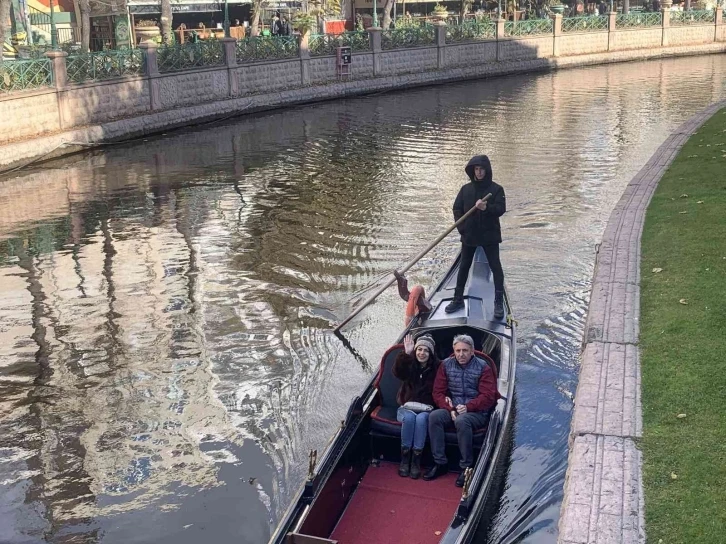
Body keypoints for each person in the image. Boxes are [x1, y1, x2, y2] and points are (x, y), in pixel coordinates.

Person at [424, 335, 497, 487]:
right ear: (454, 351)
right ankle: (440, 462)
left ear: (472, 351)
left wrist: (468, 407)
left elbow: (489, 396)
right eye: (458, 351)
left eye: (465, 350)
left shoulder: (484, 367)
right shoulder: (446, 365)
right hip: (453, 408)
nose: (461, 354)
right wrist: (449, 408)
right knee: (434, 417)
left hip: (477, 412)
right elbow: (438, 392)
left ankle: (466, 467)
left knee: (462, 420)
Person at [445, 155, 506, 319]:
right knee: (464, 266)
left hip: (489, 235)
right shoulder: (466, 190)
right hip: (469, 235)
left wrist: (486, 208)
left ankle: (498, 302)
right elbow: (457, 209)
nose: (479, 172)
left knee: (496, 267)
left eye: (482, 169)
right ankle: (457, 299)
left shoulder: (496, 189)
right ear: (473, 171)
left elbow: (501, 209)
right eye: (476, 169)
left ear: (487, 170)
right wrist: (462, 229)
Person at [392, 334, 439, 479]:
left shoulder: (437, 368)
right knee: (410, 418)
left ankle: (416, 461)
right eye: (419, 349)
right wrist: (406, 354)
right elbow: (398, 372)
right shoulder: (409, 364)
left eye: (425, 350)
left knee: (421, 419)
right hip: (406, 408)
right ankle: (405, 460)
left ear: (430, 353)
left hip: (426, 409)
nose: (422, 353)